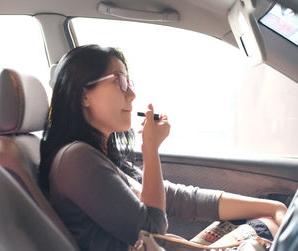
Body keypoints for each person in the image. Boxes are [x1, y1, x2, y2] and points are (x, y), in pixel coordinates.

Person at [39, 44, 287, 251]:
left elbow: (181, 199)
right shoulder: (76, 159)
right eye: (121, 81)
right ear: (84, 95)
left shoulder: (98, 156)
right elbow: (151, 231)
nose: (132, 94)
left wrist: (271, 206)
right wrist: (151, 148)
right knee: (270, 231)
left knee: (265, 219)